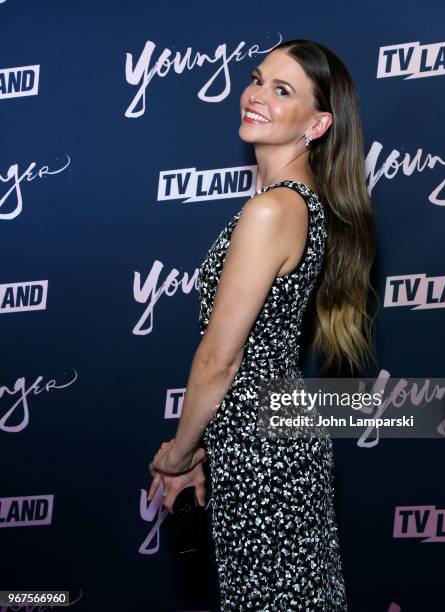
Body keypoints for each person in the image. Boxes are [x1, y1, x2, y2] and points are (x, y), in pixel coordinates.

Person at [147, 38, 377, 611]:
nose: (255, 95)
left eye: (283, 90)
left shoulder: (274, 209)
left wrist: (178, 453)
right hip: (269, 433)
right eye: (257, 79)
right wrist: (204, 448)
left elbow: (219, 360)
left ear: (318, 123)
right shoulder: (299, 203)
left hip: (260, 448)